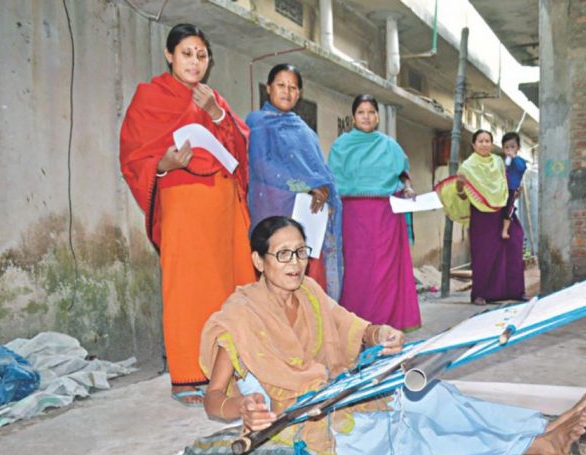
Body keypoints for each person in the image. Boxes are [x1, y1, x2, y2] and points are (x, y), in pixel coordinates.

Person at [195, 216, 586, 455]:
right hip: (309, 420)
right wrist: (241, 409)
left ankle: (537, 426)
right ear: (257, 261)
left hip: (346, 389)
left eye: (301, 252)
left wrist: (378, 332)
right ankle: (537, 446)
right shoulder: (240, 316)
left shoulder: (311, 294)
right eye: (283, 254)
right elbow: (214, 399)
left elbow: (353, 327)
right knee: (412, 440)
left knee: (434, 397)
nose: (296, 263)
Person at [119, 24, 255, 406]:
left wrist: (217, 117)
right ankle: (187, 376)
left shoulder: (215, 98)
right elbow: (134, 155)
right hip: (182, 201)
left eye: (201, 55)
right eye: (186, 53)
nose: (195, 62)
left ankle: (226, 372)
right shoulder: (150, 97)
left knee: (230, 286)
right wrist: (162, 164)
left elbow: (239, 149)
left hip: (224, 205)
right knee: (188, 287)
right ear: (169, 55)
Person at [245, 64, 342, 300]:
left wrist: (324, 192)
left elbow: (321, 171)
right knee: (276, 267)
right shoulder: (258, 122)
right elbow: (262, 165)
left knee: (308, 272)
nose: (287, 91)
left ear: (299, 94)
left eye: (293, 87)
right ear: (268, 88)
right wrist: (305, 187)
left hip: (310, 214)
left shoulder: (306, 132)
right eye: (281, 85)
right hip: (273, 209)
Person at [328, 94, 421, 331]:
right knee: (357, 271)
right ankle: (356, 327)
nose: (366, 117)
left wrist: (408, 189)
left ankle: (385, 324)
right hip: (353, 218)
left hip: (385, 218)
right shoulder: (341, 146)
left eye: (371, 112)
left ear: (377, 117)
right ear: (353, 117)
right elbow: (331, 180)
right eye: (361, 112)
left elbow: (403, 173)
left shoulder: (390, 145)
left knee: (385, 272)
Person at [436, 130, 524, 304]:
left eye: (487, 141)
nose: (484, 144)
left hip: (502, 212)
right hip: (482, 217)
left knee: (514, 243)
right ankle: (480, 294)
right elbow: (462, 196)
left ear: (492, 144)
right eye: (480, 141)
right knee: (484, 255)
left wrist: (515, 193)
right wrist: (460, 187)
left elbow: (508, 183)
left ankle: (515, 291)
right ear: (474, 145)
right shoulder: (468, 167)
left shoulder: (499, 162)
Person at [500, 132, 528, 241]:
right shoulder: (503, 161)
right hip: (502, 189)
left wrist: (514, 158)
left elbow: (521, 169)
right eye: (506, 147)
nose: (509, 150)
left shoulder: (519, 160)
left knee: (509, 209)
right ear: (503, 149)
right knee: (502, 209)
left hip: (512, 189)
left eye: (512, 147)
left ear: (518, 147)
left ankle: (505, 230)